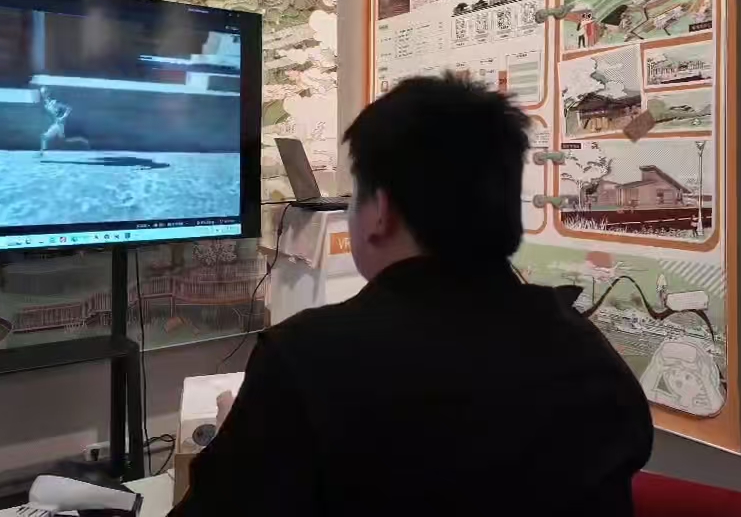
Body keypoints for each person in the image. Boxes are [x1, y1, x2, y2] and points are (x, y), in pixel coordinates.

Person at [170, 75, 653, 517]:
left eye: (354, 196)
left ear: (380, 211)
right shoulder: (587, 351)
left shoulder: (304, 360)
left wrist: (244, 437)